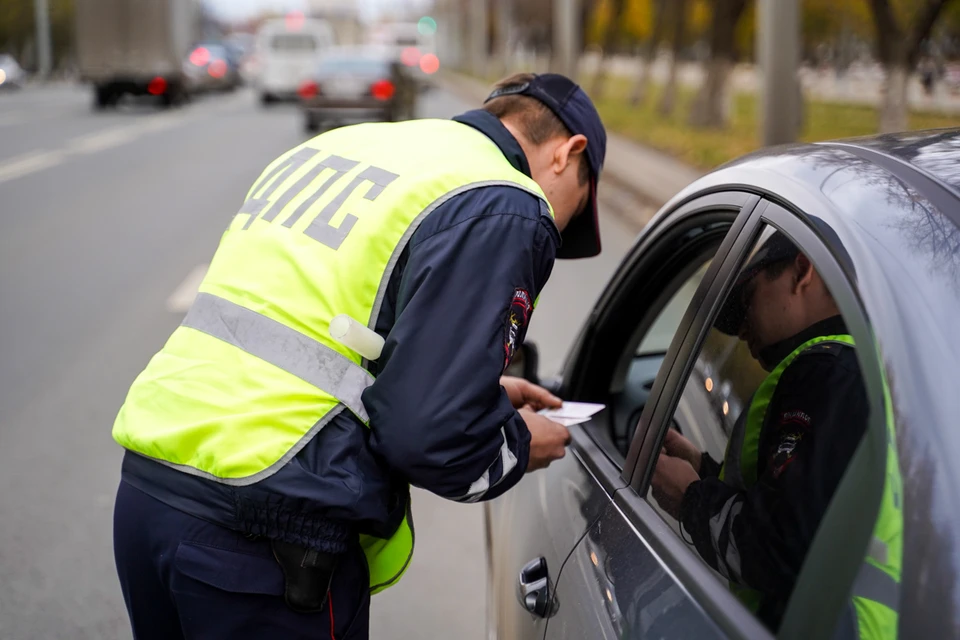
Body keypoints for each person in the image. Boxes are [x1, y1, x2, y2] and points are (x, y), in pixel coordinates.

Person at [110, 72, 606, 639]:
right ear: (570, 153)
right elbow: (430, 436)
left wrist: (481, 396)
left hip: (151, 491)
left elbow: (328, 330)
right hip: (266, 536)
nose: (560, 227)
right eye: (578, 209)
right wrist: (516, 444)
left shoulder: (345, 147)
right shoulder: (505, 201)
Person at [651, 231, 874, 631]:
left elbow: (783, 547)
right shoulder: (855, 369)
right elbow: (804, 505)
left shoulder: (827, 373)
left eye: (748, 298)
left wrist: (690, 499)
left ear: (802, 270)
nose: (742, 333)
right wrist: (702, 468)